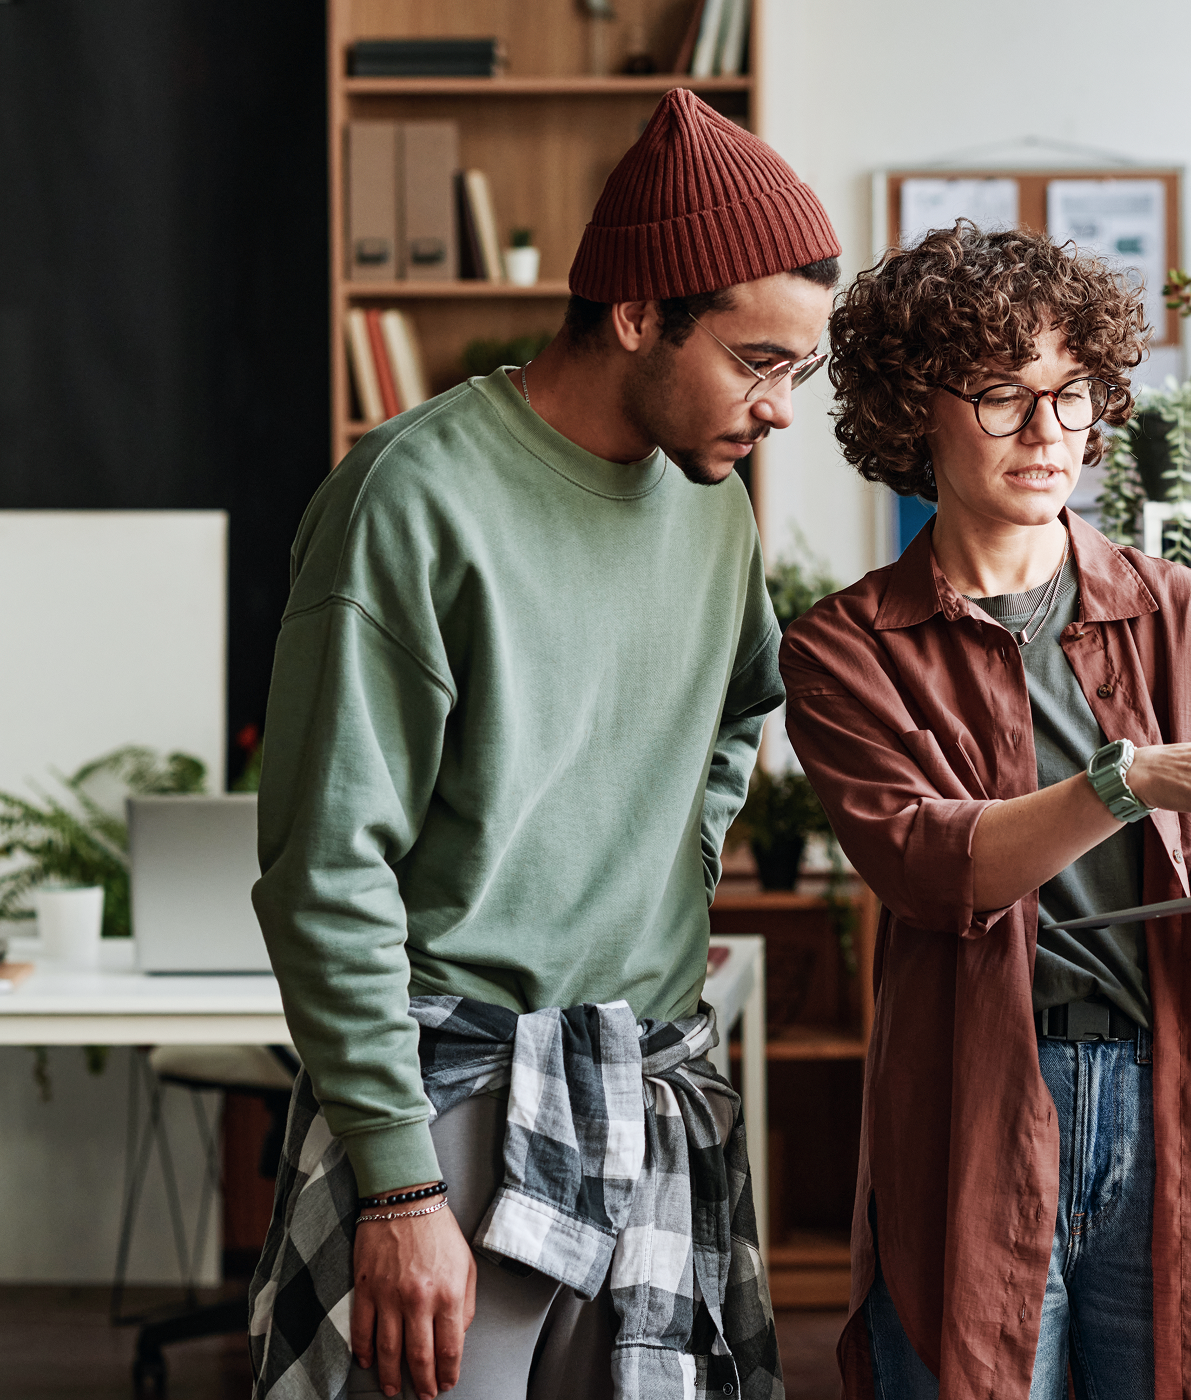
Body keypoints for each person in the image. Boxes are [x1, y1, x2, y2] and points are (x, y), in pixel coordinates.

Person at [246, 90, 839, 1400]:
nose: (781, 408)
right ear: (637, 312)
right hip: (446, 1105)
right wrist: (396, 1185)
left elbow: (744, 702)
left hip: (649, 1076)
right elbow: (322, 873)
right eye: (756, 360)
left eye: (799, 369)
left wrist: (670, 858)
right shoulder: (411, 499)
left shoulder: (717, 506)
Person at [781, 221, 1191, 1400]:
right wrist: (1126, 780)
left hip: (1169, 1092)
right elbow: (935, 869)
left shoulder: (1185, 613)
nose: (1047, 433)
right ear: (911, 407)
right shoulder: (845, 646)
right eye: (1001, 396)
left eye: (1071, 394)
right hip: (978, 1102)